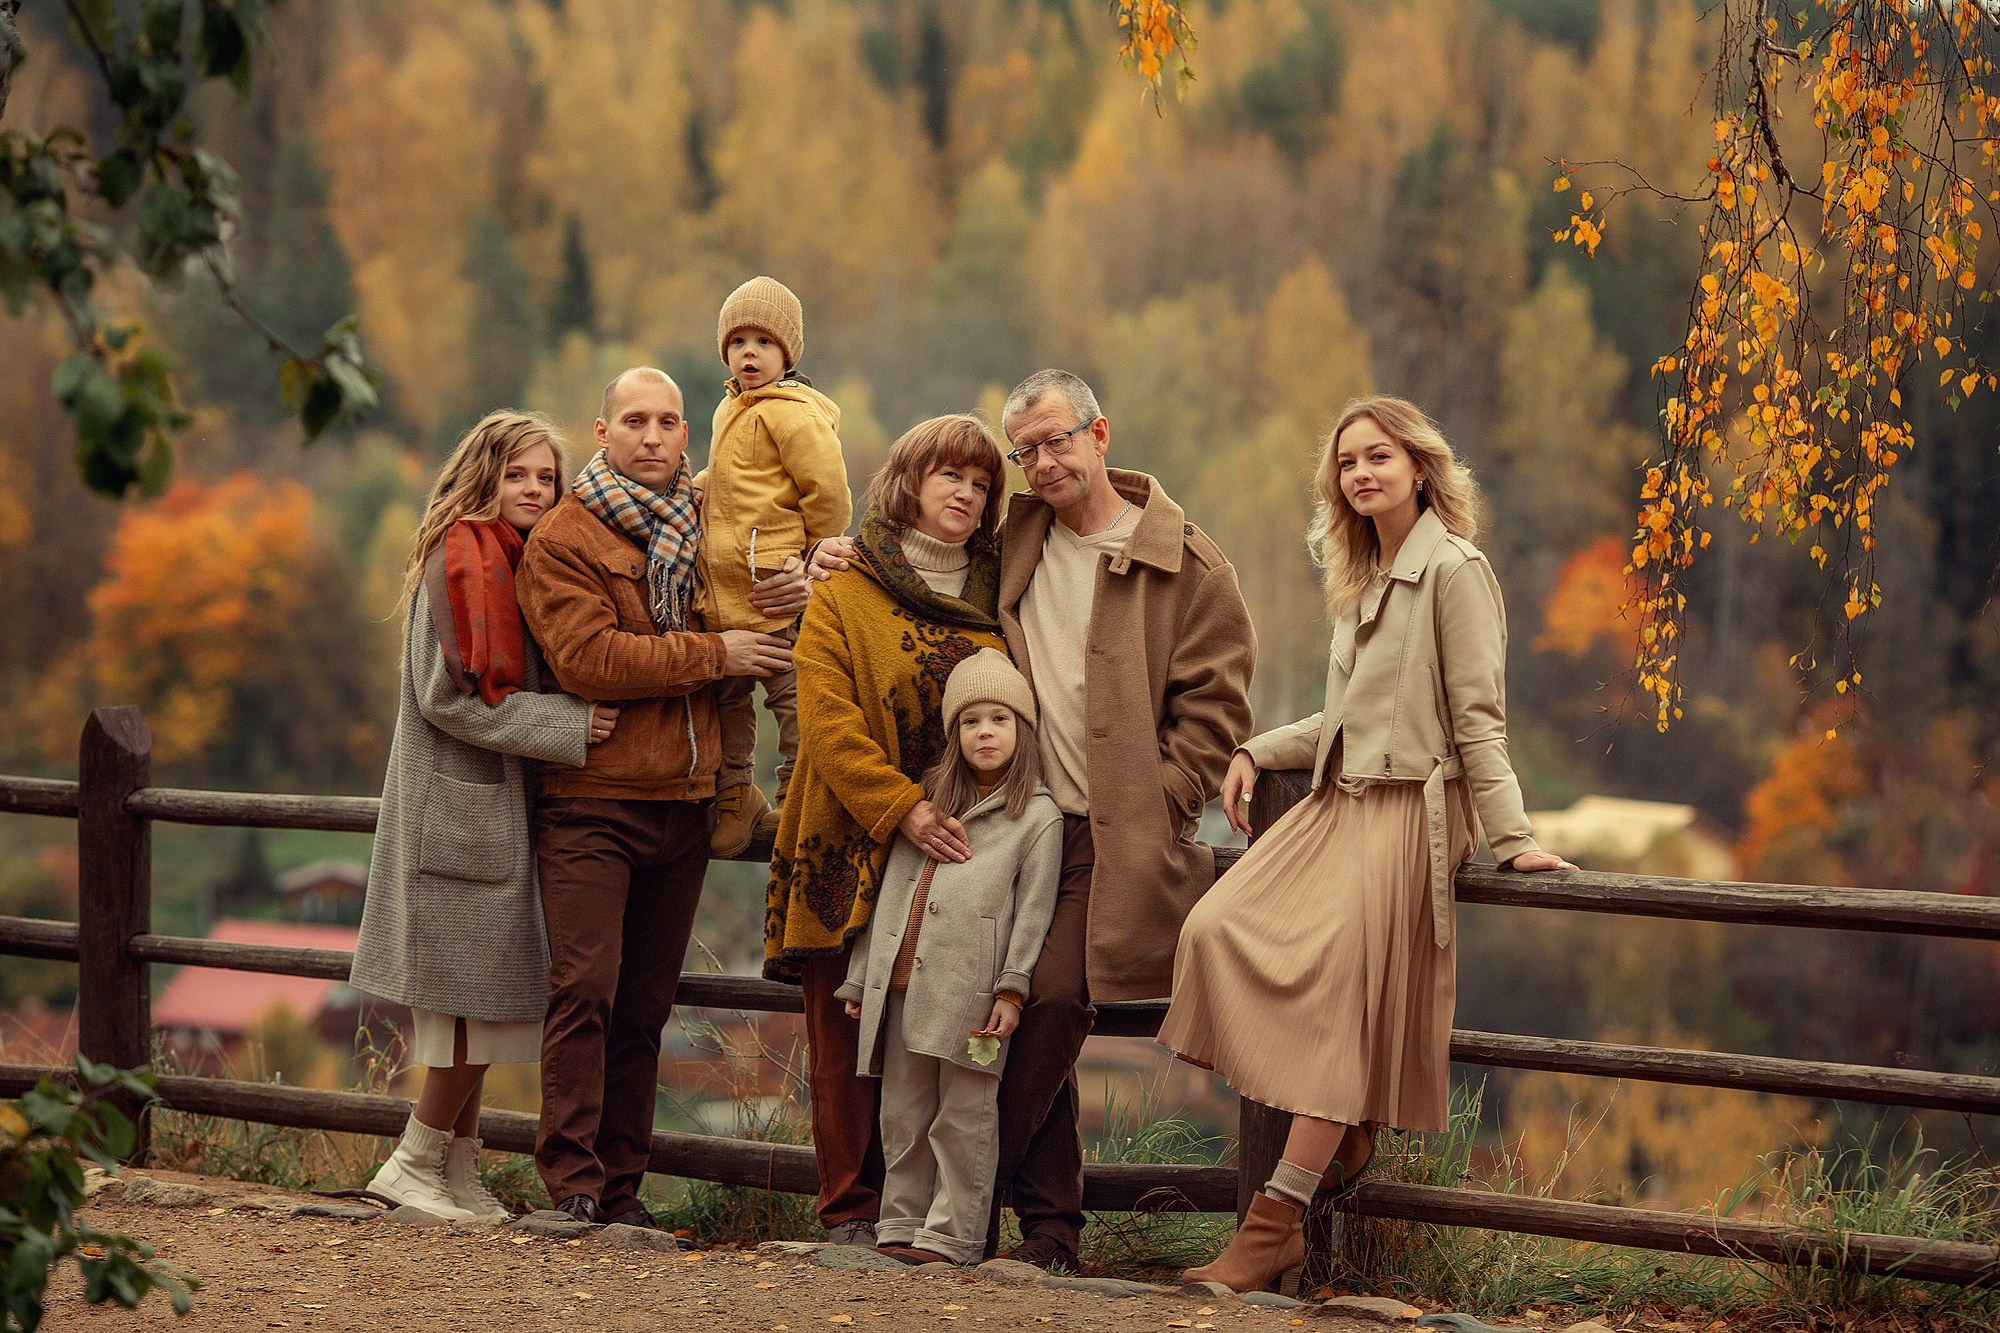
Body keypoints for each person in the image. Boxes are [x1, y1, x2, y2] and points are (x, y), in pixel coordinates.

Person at [1158, 395, 1575, 1294]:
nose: (1361, 473)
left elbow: (1479, 721)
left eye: (1378, 456)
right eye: (1347, 462)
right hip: (1339, 804)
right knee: (1215, 927)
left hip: (1408, 818)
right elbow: (1342, 718)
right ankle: (1344, 1135)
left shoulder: (1456, 570)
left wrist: (1514, 841)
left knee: (1335, 1012)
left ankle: (1273, 1226)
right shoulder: (1362, 575)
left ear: (1420, 467)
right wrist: (1254, 749)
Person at [516, 367, 800, 1228]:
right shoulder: (564, 536)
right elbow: (590, 660)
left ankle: (622, 1187)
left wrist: (799, 576)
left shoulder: (709, 520)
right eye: (635, 420)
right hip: (593, 802)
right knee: (585, 991)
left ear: (687, 434)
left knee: (644, 1008)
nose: (653, 435)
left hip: (687, 802)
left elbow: (766, 576)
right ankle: (572, 1180)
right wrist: (718, 654)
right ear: (602, 432)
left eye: (669, 421)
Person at [352, 410, 613, 1221]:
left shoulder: (510, 558)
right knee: (469, 1008)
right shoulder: (460, 560)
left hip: (485, 818)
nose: (534, 489)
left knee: (480, 1004)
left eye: (547, 477)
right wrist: (569, 723)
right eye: (517, 475)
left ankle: (455, 1171)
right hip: (454, 816)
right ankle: (412, 1161)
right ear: (483, 478)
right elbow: (446, 698)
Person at [768, 414, 1012, 1248]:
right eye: (950, 476)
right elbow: (827, 722)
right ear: (909, 481)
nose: (967, 494)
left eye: (981, 484)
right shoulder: (844, 586)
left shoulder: (999, 595)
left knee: (937, 1029)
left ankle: (933, 1219)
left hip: (960, 845)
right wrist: (903, 807)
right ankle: (849, 1208)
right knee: (844, 1031)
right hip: (850, 836)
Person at [834, 650, 1063, 1266]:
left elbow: (1034, 913)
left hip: (972, 997)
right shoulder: (925, 808)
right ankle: (900, 1226)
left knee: (964, 1117)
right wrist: (861, 978)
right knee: (903, 1113)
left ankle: (950, 1237)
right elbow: (889, 894)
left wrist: (1011, 989)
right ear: (953, 733)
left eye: (1000, 719)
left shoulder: (1036, 818)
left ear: (1023, 729)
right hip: (902, 986)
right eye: (970, 721)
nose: (985, 732)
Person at [698, 276, 853, 856]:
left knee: (790, 693)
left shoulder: (793, 414)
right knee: (727, 698)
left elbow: (828, 491)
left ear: (788, 354)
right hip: (724, 589)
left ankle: (797, 792)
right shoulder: (729, 409)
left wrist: (812, 557)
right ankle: (735, 793)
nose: (749, 353)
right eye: (738, 342)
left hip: (773, 586)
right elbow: (730, 476)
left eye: (764, 342)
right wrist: (694, 489)